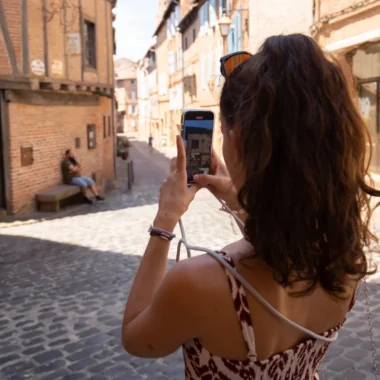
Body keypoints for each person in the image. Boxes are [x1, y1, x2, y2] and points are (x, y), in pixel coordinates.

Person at [121, 34, 380, 379]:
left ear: (237, 141)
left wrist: (165, 220)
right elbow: (284, 236)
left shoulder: (198, 284)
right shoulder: (345, 259)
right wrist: (237, 198)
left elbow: (136, 337)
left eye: (225, 133)